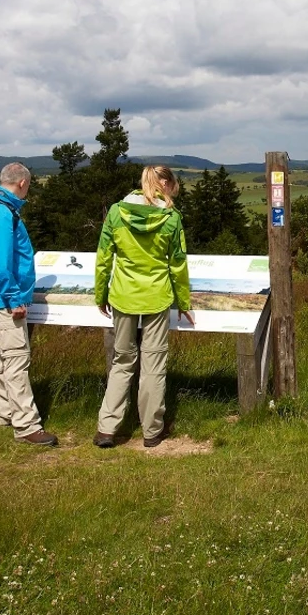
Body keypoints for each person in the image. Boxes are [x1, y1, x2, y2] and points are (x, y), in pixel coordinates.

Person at [93, 165, 194, 448]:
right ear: (167, 184)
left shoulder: (116, 211)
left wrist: (101, 294)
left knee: (121, 361)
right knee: (154, 364)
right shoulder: (171, 218)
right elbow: (177, 264)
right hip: (157, 296)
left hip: (123, 296)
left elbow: (103, 258)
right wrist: (183, 302)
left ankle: (107, 428)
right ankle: (152, 430)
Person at [0, 162, 57, 447]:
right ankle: (27, 426)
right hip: (4, 299)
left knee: (1, 359)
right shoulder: (0, 213)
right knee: (16, 361)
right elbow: (0, 262)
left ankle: (7, 415)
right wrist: (14, 299)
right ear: (22, 183)